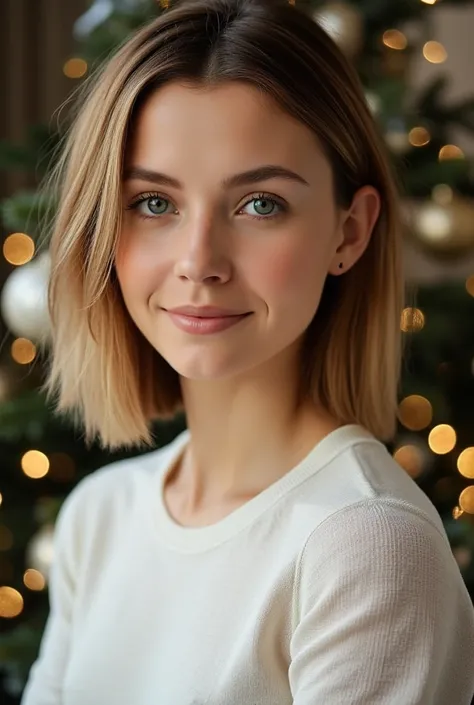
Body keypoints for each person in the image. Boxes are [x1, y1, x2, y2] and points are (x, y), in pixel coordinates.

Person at [21, 0, 474, 703]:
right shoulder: (98, 517)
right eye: (154, 203)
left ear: (348, 233)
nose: (199, 262)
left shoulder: (367, 546)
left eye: (260, 203)